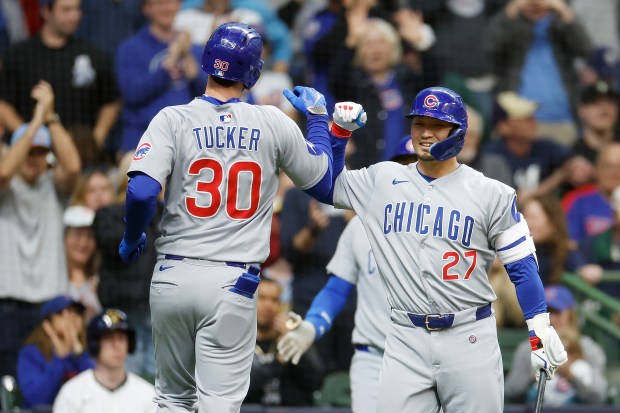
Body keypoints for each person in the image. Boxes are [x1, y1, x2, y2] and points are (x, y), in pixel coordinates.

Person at [282, 87, 568, 412]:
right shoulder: (383, 179)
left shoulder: (491, 193)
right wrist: (332, 130)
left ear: (458, 131)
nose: (426, 133)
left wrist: (539, 329)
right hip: (405, 336)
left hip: (468, 335)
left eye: (436, 125)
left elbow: (522, 266)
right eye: (418, 124)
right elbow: (324, 185)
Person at [118, 22, 353, 412]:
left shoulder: (172, 117)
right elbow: (324, 182)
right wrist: (315, 117)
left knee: (173, 400)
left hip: (173, 274)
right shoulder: (272, 121)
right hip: (231, 281)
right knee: (220, 404)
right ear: (253, 72)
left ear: (207, 61)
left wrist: (131, 236)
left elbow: (141, 190)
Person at [278, 135, 417, 413]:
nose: (408, 175)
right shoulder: (360, 227)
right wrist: (312, 325)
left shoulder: (444, 230)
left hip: (424, 354)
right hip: (372, 357)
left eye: (415, 167)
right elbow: (337, 288)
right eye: (401, 166)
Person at [0, 80, 81, 377]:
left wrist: (50, 117)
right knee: (10, 385)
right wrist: (34, 123)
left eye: (41, 152)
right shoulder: (5, 189)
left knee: (53, 381)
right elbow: (4, 170)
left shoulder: (53, 187)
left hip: (51, 303)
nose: (35, 157)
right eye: (29, 150)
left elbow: (72, 167)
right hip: (8, 304)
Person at [0, 0, 120, 166]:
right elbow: (3, 104)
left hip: (83, 156)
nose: (75, 16)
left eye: (77, 9)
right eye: (66, 10)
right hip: (34, 157)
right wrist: (30, 138)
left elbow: (111, 101)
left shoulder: (94, 55)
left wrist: (97, 137)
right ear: (46, 12)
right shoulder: (19, 55)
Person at [115, 0, 206, 155]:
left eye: (171, 2)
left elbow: (208, 93)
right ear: (146, 8)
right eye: (159, 3)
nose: (166, 8)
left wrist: (186, 55)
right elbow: (133, 93)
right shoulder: (130, 49)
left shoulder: (193, 49)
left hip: (190, 142)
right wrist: (169, 63)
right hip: (143, 141)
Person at [505, 285, 607, 405]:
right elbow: (509, 393)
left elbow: (599, 395)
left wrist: (570, 375)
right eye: (545, 312)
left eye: (556, 312)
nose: (550, 319)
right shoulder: (527, 348)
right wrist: (533, 376)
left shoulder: (587, 348)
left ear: (570, 315)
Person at [53, 308, 156, 413]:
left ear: (129, 345)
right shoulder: (72, 393)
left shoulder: (148, 395)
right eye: (108, 338)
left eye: (121, 338)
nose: (116, 345)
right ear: (95, 345)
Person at [246, 278, 324, 406]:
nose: (268, 305)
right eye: (262, 298)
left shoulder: (291, 336)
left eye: (274, 300)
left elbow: (316, 382)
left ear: (282, 306)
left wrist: (293, 341)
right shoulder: (240, 340)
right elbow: (243, 386)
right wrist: (279, 362)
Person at [17, 295, 93, 409]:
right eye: (63, 313)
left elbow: (98, 393)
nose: (72, 318)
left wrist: (80, 355)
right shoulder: (31, 354)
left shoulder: (91, 352)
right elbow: (39, 400)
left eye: (77, 313)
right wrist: (58, 359)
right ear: (47, 323)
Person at [63, 205, 102, 321]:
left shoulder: (100, 282)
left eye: (90, 236)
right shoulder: (53, 282)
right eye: (78, 235)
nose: (84, 243)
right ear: (64, 237)